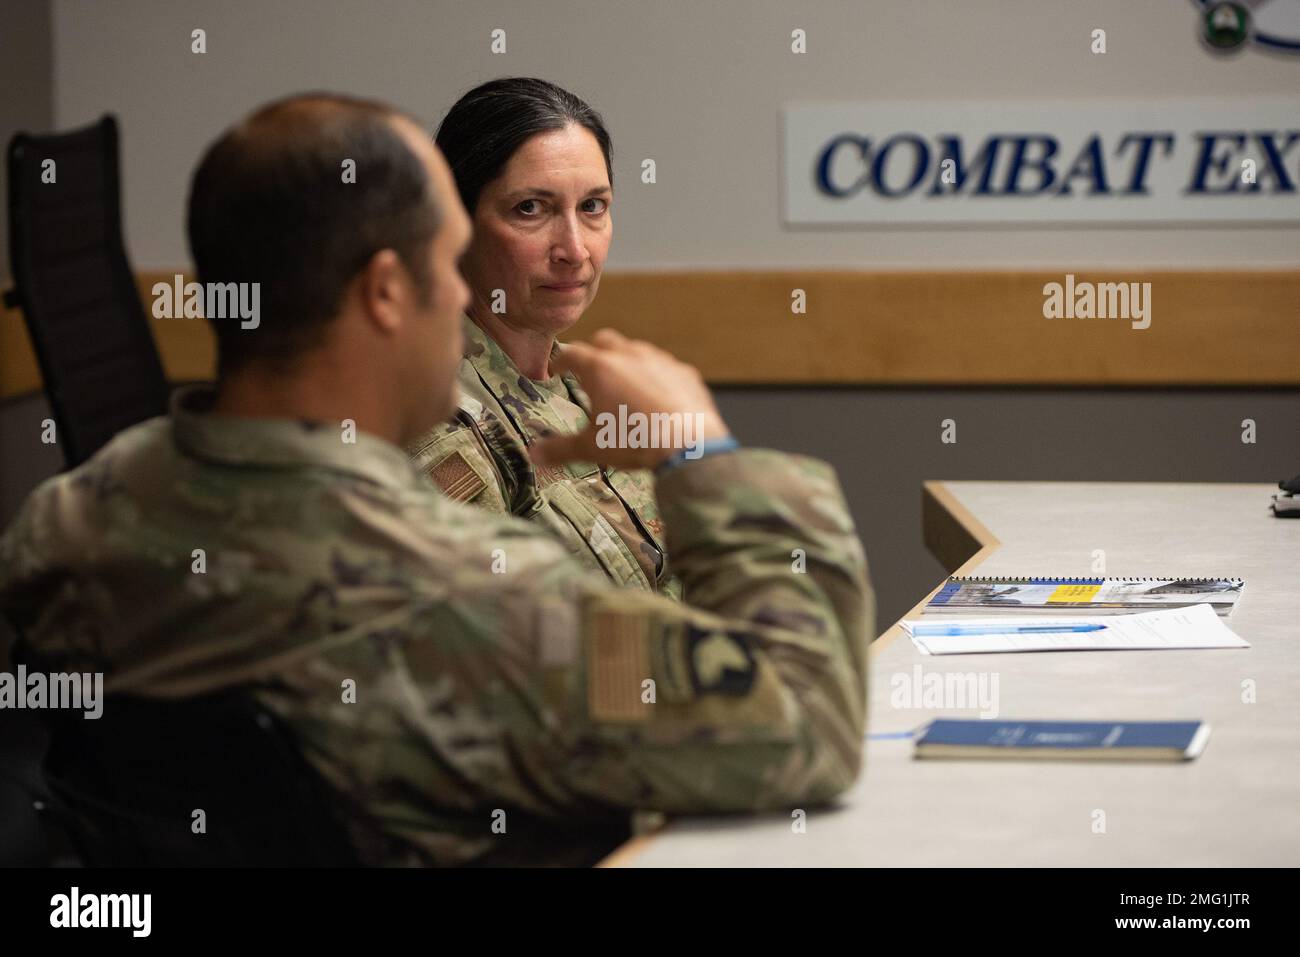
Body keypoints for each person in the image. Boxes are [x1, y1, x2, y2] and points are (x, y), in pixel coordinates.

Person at [0, 93, 875, 866]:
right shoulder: (468, 596)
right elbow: (809, 725)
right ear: (388, 291)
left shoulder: (62, 523)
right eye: (451, 261)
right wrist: (699, 453)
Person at [408, 78, 680, 598]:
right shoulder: (432, 421)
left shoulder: (582, 389)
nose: (574, 249)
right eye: (531, 209)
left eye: (593, 207)